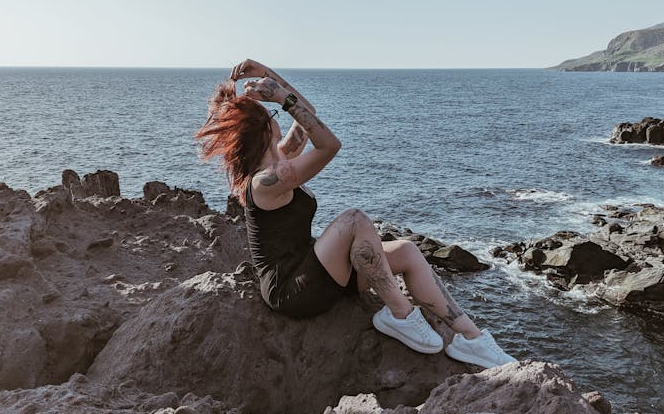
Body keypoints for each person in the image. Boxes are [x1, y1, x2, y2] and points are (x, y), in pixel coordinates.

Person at [196, 59, 515, 369]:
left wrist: (268, 75)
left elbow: (309, 115)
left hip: (316, 272)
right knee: (354, 220)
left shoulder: (281, 157)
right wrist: (281, 97)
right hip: (292, 289)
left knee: (405, 250)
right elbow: (329, 145)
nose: (277, 112)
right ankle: (401, 316)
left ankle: (471, 339)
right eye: (272, 111)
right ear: (264, 128)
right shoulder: (265, 181)